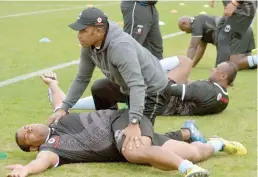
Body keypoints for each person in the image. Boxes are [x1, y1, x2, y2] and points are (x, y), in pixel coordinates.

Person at [7, 90, 247, 177]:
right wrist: (26, 170)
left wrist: (52, 83)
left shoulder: (57, 119)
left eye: (27, 126)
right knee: (196, 151)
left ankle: (187, 169)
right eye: (26, 135)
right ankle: (217, 144)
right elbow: (41, 163)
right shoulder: (51, 149)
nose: (29, 129)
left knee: (135, 152)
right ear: (33, 148)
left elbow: (60, 101)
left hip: (125, 120)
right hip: (126, 142)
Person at [47, 7, 174, 148]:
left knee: (136, 144)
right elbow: (82, 78)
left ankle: (184, 134)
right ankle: (109, 125)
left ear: (99, 31)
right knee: (100, 88)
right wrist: (64, 108)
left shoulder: (120, 47)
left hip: (152, 90)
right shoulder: (88, 45)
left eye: (83, 30)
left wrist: (133, 122)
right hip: (128, 87)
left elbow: (137, 85)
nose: (79, 35)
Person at [41, 59, 237, 117]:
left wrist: (143, 81)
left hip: (157, 100)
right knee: (105, 87)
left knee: (103, 86)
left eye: (216, 69)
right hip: (163, 104)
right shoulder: (222, 98)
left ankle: (58, 96)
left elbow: (173, 90)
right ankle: (64, 101)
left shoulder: (207, 89)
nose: (213, 69)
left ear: (222, 76)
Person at [178, 15, 256, 70]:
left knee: (230, 65)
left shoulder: (195, 24)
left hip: (237, 31)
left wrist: (185, 66)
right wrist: (192, 64)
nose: (185, 32)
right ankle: (254, 60)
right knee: (244, 60)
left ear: (184, 23)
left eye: (183, 29)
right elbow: (200, 48)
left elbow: (193, 47)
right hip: (242, 29)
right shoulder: (201, 22)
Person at [209, 0, 257, 66]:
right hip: (238, 10)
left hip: (242, 10)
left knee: (224, 38)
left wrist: (235, 3)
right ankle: (219, 68)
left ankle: (221, 69)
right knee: (219, 35)